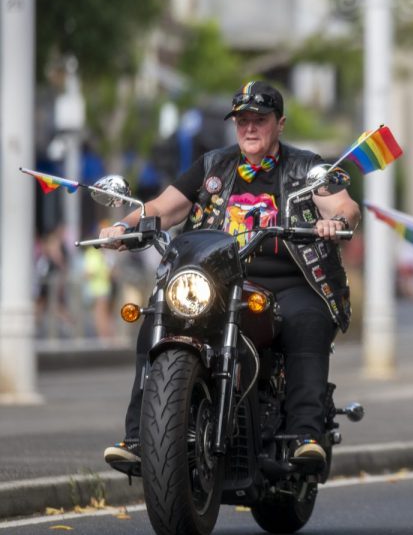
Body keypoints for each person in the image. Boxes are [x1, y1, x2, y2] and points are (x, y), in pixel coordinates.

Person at [100, 81, 360, 474]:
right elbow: (163, 208)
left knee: (308, 319)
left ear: (280, 123)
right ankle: (140, 438)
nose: (250, 128)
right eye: (242, 120)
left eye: (260, 119)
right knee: (157, 313)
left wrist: (336, 221)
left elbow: (343, 204)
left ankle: (304, 436)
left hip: (287, 283)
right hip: (218, 282)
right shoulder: (212, 166)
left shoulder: (307, 167)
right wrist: (123, 226)